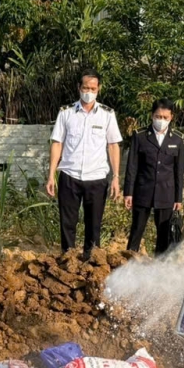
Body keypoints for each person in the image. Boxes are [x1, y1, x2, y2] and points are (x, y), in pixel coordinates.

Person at [47, 71, 123, 258]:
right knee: (67, 222)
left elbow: (113, 145)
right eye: (85, 88)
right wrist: (51, 175)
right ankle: (68, 258)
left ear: (99, 89)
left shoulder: (107, 114)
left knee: (94, 224)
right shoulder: (66, 113)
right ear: (78, 88)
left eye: (93, 88)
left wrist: (115, 177)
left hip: (96, 177)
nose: (89, 92)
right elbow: (57, 143)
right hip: (70, 175)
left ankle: (91, 260)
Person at [123, 99, 184, 255]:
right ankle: (129, 263)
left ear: (171, 117)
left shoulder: (177, 139)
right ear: (152, 116)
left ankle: (159, 268)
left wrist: (178, 198)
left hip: (166, 192)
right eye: (158, 116)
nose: (161, 120)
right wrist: (128, 192)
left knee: (163, 234)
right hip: (143, 190)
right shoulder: (140, 136)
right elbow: (132, 166)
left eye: (165, 117)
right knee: (137, 228)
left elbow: (178, 171)